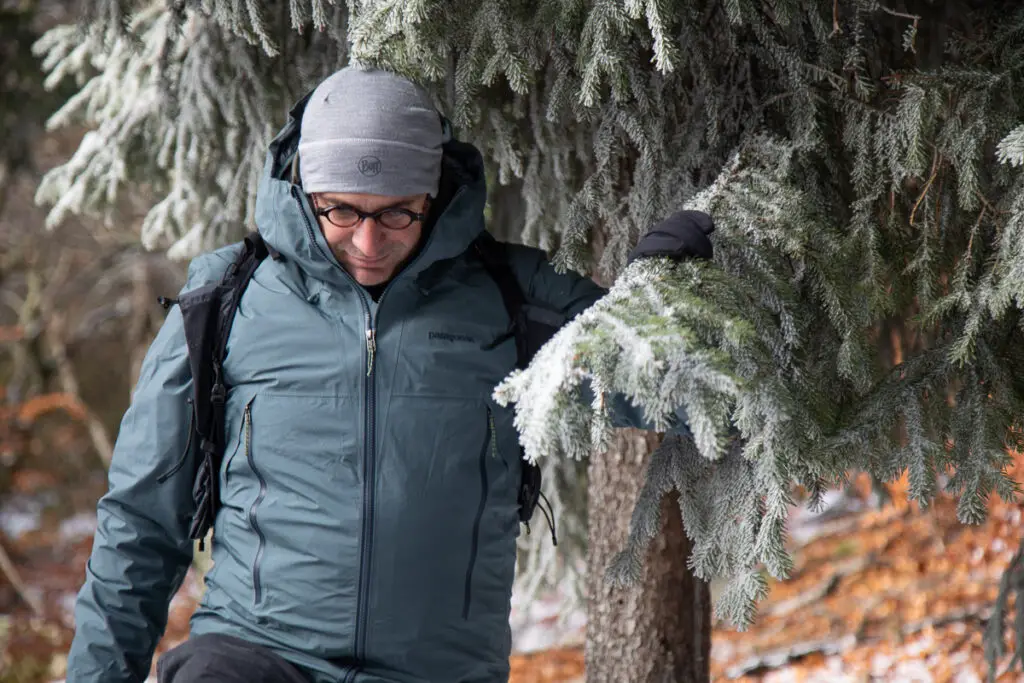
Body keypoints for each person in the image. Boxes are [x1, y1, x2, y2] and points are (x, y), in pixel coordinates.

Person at [65, 66, 713, 683]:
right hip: (257, 656)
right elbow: (140, 525)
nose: (368, 243)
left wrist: (670, 309)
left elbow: (694, 400)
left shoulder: (514, 300)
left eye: (398, 212)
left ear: (434, 195)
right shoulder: (227, 302)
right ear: (302, 187)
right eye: (341, 210)